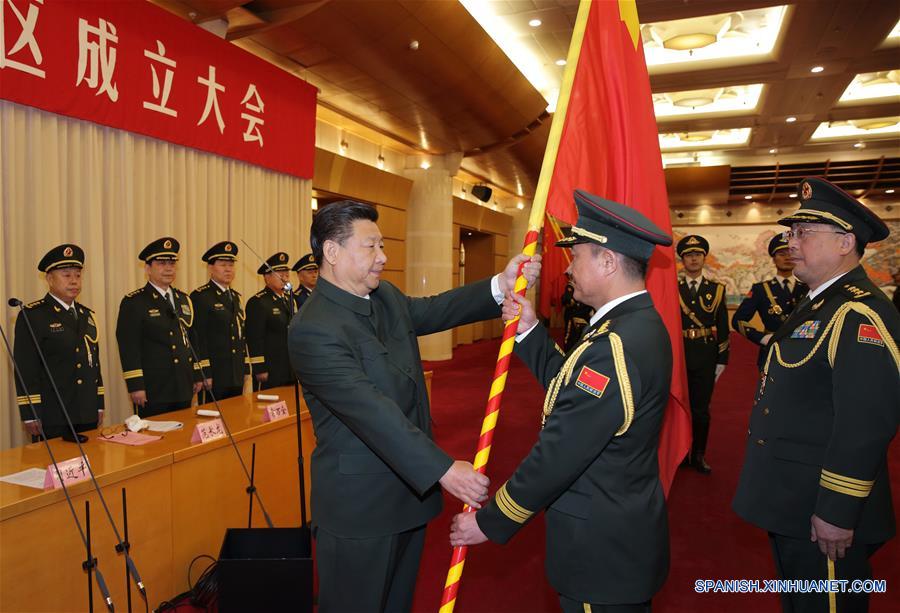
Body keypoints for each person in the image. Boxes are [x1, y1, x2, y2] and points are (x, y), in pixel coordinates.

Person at [287, 200, 541, 613]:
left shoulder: (384, 295)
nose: (382, 257)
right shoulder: (313, 329)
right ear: (332, 252)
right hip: (361, 511)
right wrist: (444, 469)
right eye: (371, 246)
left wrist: (501, 283)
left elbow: (434, 309)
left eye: (382, 245)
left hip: (408, 497)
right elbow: (372, 413)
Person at [450, 189, 672, 613]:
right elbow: (572, 392)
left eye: (577, 256)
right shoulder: (631, 325)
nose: (568, 268)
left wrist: (490, 520)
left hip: (598, 552)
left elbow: (561, 453)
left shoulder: (616, 343)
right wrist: (530, 331)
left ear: (608, 262)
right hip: (617, 536)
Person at [733, 177, 899, 613]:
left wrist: (838, 511)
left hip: (822, 511)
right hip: (794, 501)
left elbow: (866, 423)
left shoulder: (857, 312)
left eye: (803, 232)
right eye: (792, 232)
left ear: (845, 242)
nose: (791, 242)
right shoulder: (818, 302)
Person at [13, 244, 104, 442]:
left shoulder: (87, 315)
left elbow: (93, 364)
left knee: (91, 460)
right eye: (66, 275)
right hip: (52, 414)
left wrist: (98, 403)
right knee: (54, 462)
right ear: (49, 279)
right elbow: (25, 369)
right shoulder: (33, 315)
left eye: (78, 275)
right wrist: (30, 412)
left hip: (86, 411)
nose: (74, 281)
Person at [116, 237, 203, 418]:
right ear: (148, 268)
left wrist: (197, 373)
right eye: (162, 263)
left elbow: (192, 340)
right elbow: (128, 346)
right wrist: (136, 385)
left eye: (172, 263)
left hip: (183, 384)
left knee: (185, 430)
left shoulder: (183, 299)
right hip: (153, 387)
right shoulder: (134, 302)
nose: (168, 268)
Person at [676, 234, 728, 474]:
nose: (694, 258)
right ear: (682, 260)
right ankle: (679, 453)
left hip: (706, 354)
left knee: (700, 409)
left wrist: (722, 358)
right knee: (677, 406)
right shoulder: (673, 289)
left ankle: (698, 454)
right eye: (689, 255)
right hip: (679, 354)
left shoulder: (716, 290)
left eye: (697, 254)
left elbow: (723, 326)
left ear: (704, 258)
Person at [732, 234, 808, 369]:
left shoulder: (807, 288)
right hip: (771, 352)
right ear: (773, 259)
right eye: (781, 254)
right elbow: (738, 320)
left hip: (801, 352)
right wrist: (762, 338)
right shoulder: (761, 289)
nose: (787, 257)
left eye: (790, 253)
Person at [191, 241, 247, 402]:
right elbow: (198, 338)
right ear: (210, 268)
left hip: (235, 373)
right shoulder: (201, 296)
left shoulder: (236, 297)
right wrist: (204, 372)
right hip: (214, 374)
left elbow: (241, 336)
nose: (228, 269)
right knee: (212, 416)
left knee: (236, 414)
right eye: (223, 265)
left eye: (231, 265)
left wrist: (245, 369)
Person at [245, 252, 294, 390]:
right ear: (267, 277)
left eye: (286, 273)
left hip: (290, 367)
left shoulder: (289, 300)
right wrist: (259, 367)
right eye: (280, 274)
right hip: (270, 369)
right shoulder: (258, 301)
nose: (284, 277)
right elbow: (254, 338)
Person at [561, 273, 594, 351]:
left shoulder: (587, 287)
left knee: (582, 337)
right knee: (570, 338)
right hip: (572, 316)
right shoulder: (570, 286)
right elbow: (566, 300)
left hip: (585, 316)